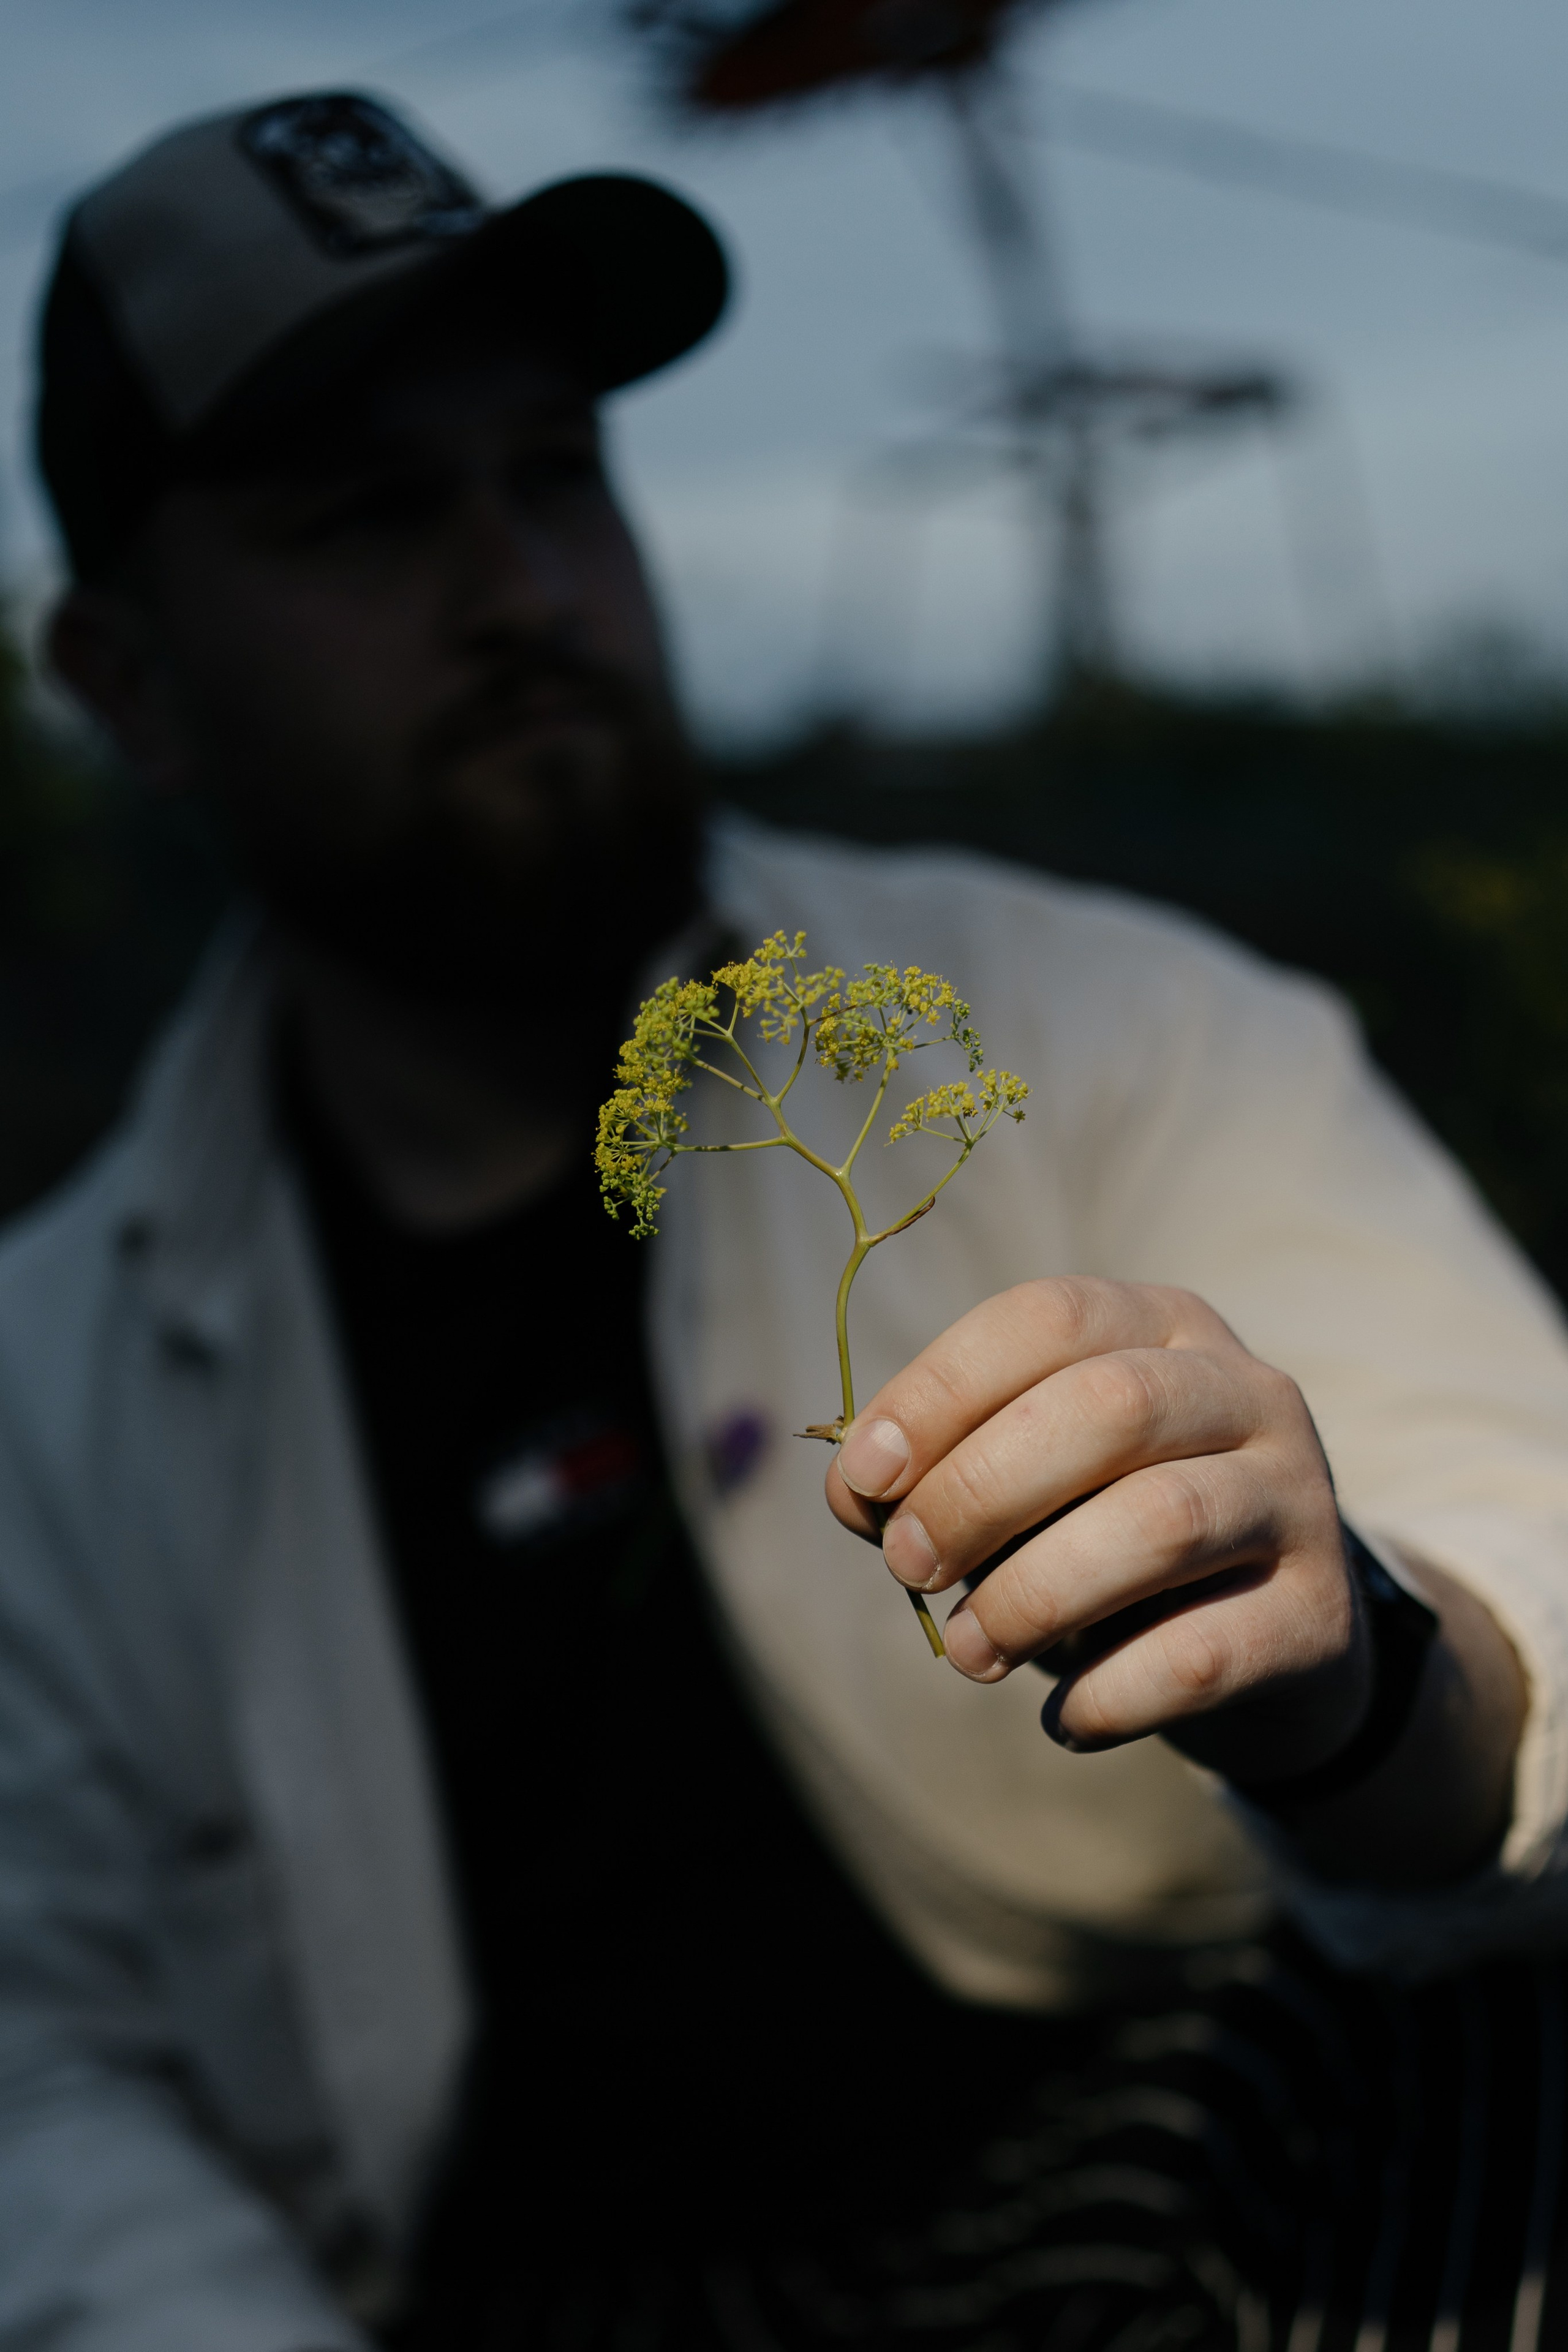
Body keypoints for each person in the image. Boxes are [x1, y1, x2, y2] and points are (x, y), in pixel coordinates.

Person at [6, 85, 1568, 2351]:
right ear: (127, 680)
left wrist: (1361, 1678)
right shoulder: (56, 1399)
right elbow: (59, 2083)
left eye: (558, 471)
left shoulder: (1096, 1032)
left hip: (1192, 2202)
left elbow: (1518, 1540)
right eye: (366, 518)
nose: (520, 589)